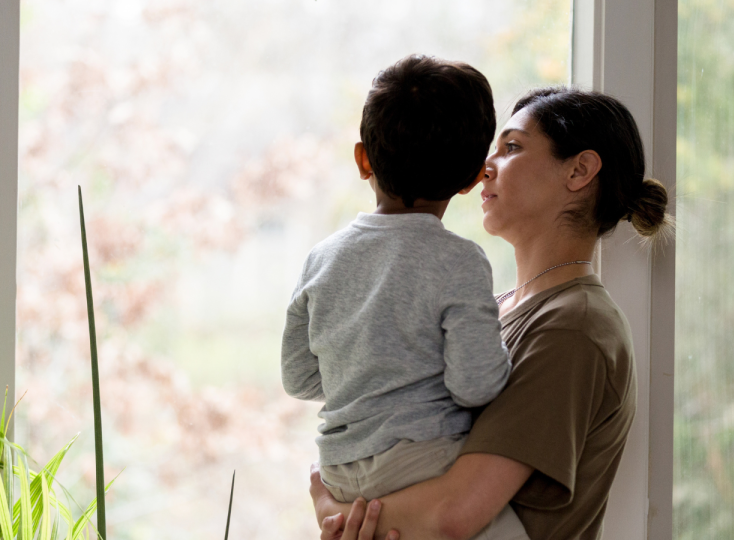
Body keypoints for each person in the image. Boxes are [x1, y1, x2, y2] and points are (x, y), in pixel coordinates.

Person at [310, 87, 672, 540]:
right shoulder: (491, 310)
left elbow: (453, 514)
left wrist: (328, 503)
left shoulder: (575, 327)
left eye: (512, 147)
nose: (485, 167)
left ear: (579, 170)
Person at [282, 55, 528, 540]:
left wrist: (364, 369)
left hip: (340, 472)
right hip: (424, 461)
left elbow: (299, 377)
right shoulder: (459, 261)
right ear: (472, 178)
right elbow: (475, 387)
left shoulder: (321, 258)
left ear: (362, 159)